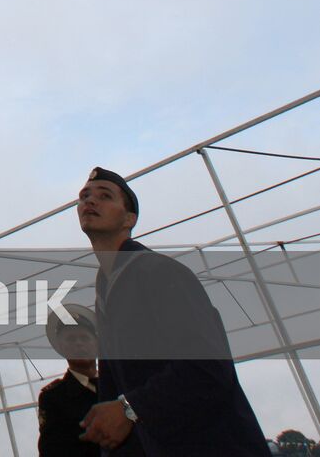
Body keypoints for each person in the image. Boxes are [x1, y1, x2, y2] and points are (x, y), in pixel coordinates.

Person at [76, 167, 268, 455]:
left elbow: (208, 368)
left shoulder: (159, 272)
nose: (90, 201)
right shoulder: (105, 291)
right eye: (85, 196)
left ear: (130, 219)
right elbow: (116, 389)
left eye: (105, 196)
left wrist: (130, 409)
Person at [37, 302, 99, 457]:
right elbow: (51, 449)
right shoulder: (53, 397)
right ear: (60, 347)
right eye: (71, 339)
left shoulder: (118, 383)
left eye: (84, 338)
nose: (79, 343)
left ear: (97, 344)